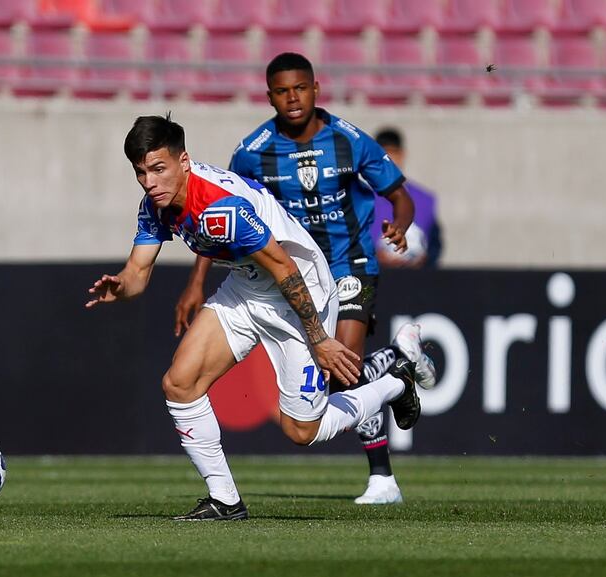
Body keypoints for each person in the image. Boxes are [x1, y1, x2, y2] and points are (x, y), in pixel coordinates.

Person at [86, 114, 423, 520]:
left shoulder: (221, 207)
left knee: (302, 431)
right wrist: (120, 286)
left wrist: (317, 337)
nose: (149, 181)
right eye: (141, 172)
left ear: (184, 161)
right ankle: (225, 500)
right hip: (247, 288)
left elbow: (285, 268)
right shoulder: (155, 205)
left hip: (300, 291)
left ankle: (394, 384)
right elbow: (138, 274)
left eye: (158, 169)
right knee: (180, 383)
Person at [174, 53, 436, 505]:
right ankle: (394, 370)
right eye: (281, 91)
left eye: (300, 88)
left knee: (344, 365)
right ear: (270, 95)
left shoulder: (349, 140)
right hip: (293, 268)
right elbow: (220, 219)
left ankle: (381, 476)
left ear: (316, 88)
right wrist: (197, 282)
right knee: (340, 378)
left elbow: (399, 195)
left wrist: (400, 223)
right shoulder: (254, 150)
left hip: (348, 262)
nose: (292, 98)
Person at [372, 127, 443, 269]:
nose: (390, 160)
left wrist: (424, 259)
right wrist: (375, 256)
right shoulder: (361, 198)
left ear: (402, 154)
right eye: (384, 155)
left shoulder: (425, 199)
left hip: (416, 281)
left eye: (394, 153)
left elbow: (435, 244)